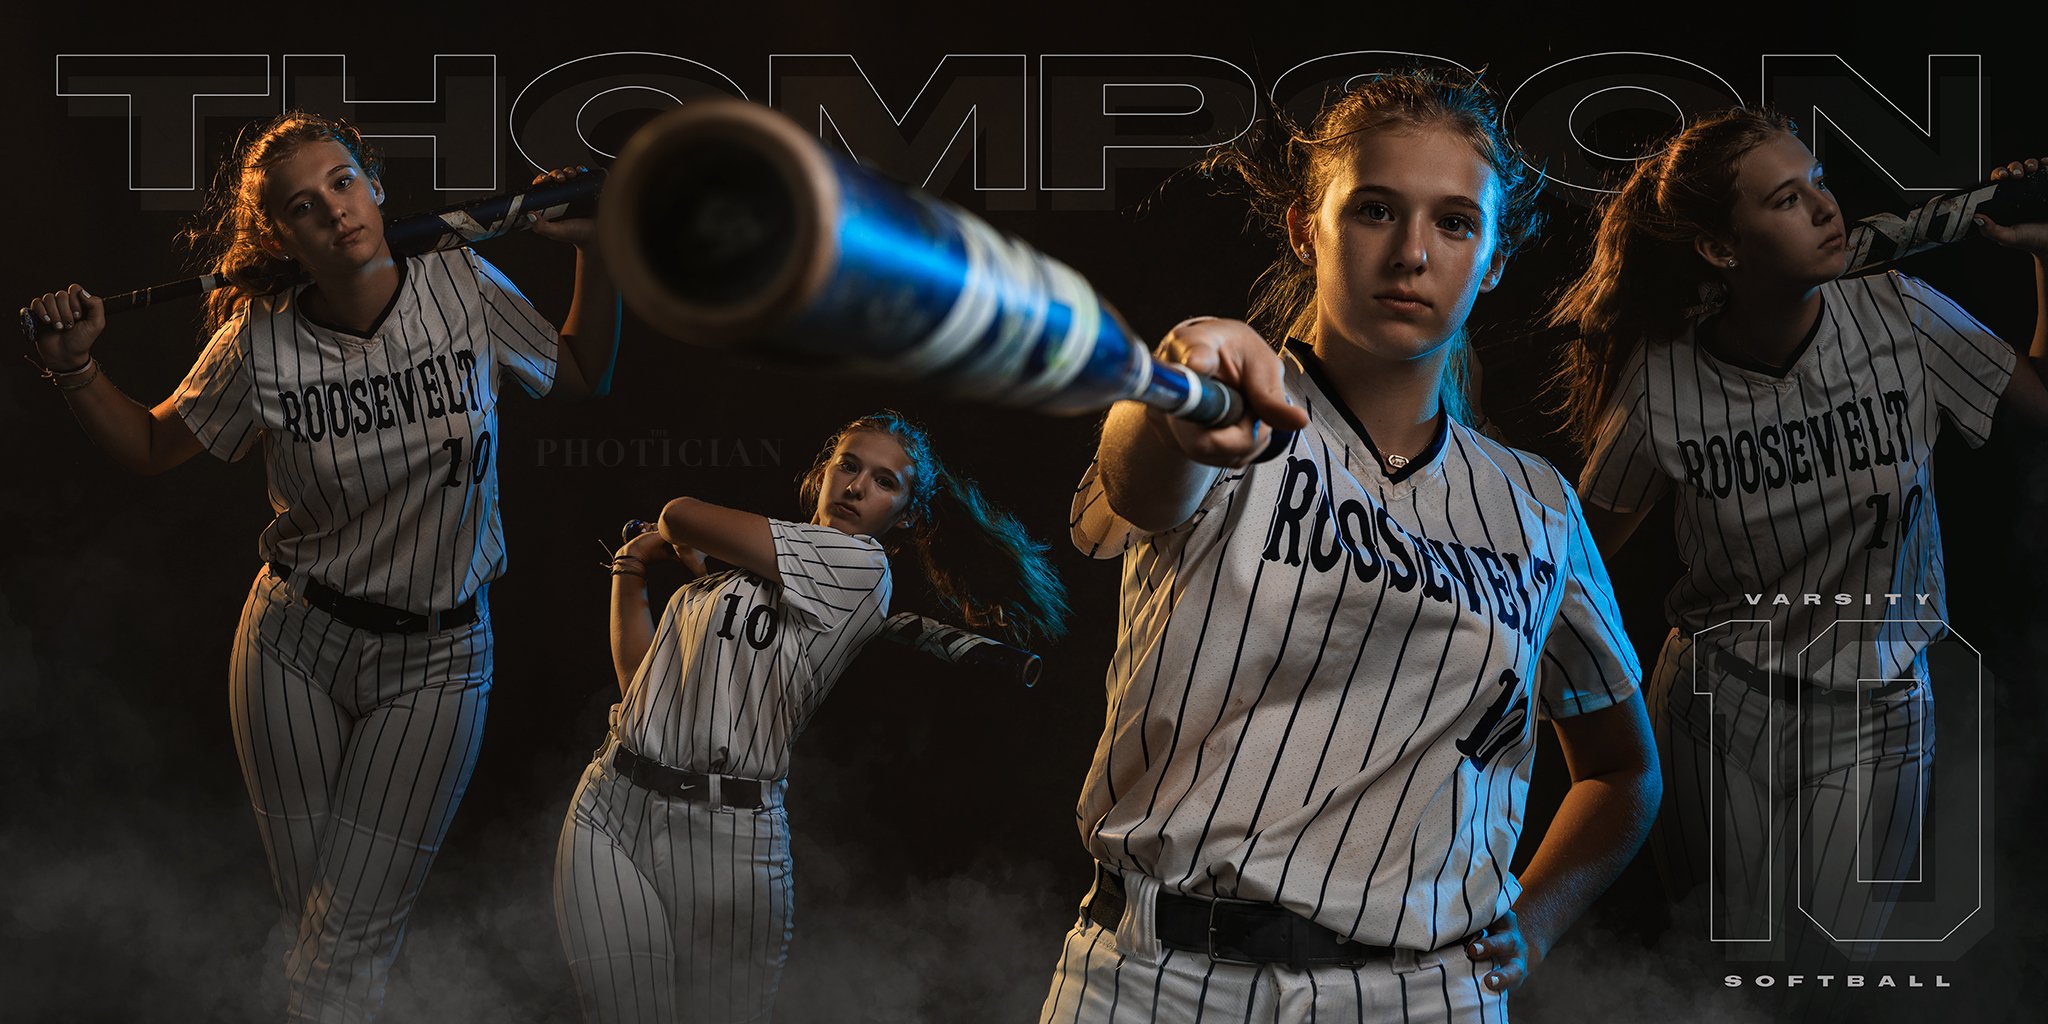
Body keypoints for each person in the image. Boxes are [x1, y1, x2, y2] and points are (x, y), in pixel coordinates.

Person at [1037, 68, 1660, 1022]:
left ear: (1492, 258)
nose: (1412, 252)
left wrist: (1531, 928)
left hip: (1418, 996)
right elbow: (1139, 474)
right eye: (1375, 209)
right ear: (1305, 228)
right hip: (1157, 981)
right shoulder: (1228, 406)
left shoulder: (1538, 507)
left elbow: (1622, 772)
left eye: (1456, 222)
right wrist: (1178, 381)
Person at [23, 111, 620, 1021]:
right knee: (319, 920)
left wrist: (599, 252)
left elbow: (579, 374)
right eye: (304, 207)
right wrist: (72, 371)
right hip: (292, 646)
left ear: (377, 185)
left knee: (344, 938)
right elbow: (149, 445)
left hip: (439, 660)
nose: (335, 212)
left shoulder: (459, 282)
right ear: (279, 237)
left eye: (344, 182)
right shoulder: (259, 343)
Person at [1549, 109, 2048, 962]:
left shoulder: (1900, 312)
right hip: (1718, 701)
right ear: (1720, 248)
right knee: (1727, 969)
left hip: (1879, 704)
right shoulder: (1663, 376)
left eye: (1818, 182)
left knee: (1825, 978)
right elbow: (1569, 558)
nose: (1826, 210)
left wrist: (2046, 254)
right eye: (1786, 199)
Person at [555, 409, 1069, 1023]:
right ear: (821, 475)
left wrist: (676, 538)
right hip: (609, 806)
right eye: (848, 465)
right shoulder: (727, 578)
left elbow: (680, 513)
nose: (856, 487)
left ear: (905, 516)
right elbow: (643, 687)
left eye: (884, 482)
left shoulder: (860, 569)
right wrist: (632, 567)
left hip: (726, 837)